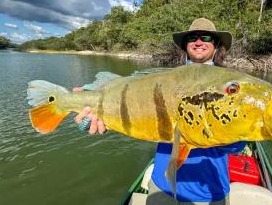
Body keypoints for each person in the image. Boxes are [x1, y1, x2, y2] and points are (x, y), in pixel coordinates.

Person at [74, 18, 246, 204]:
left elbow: (239, 145)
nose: (198, 42)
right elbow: (133, 114)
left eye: (206, 37)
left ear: (216, 44)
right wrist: (94, 121)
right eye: (192, 38)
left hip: (210, 190)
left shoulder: (235, 86)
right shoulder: (162, 81)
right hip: (162, 188)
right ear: (185, 45)